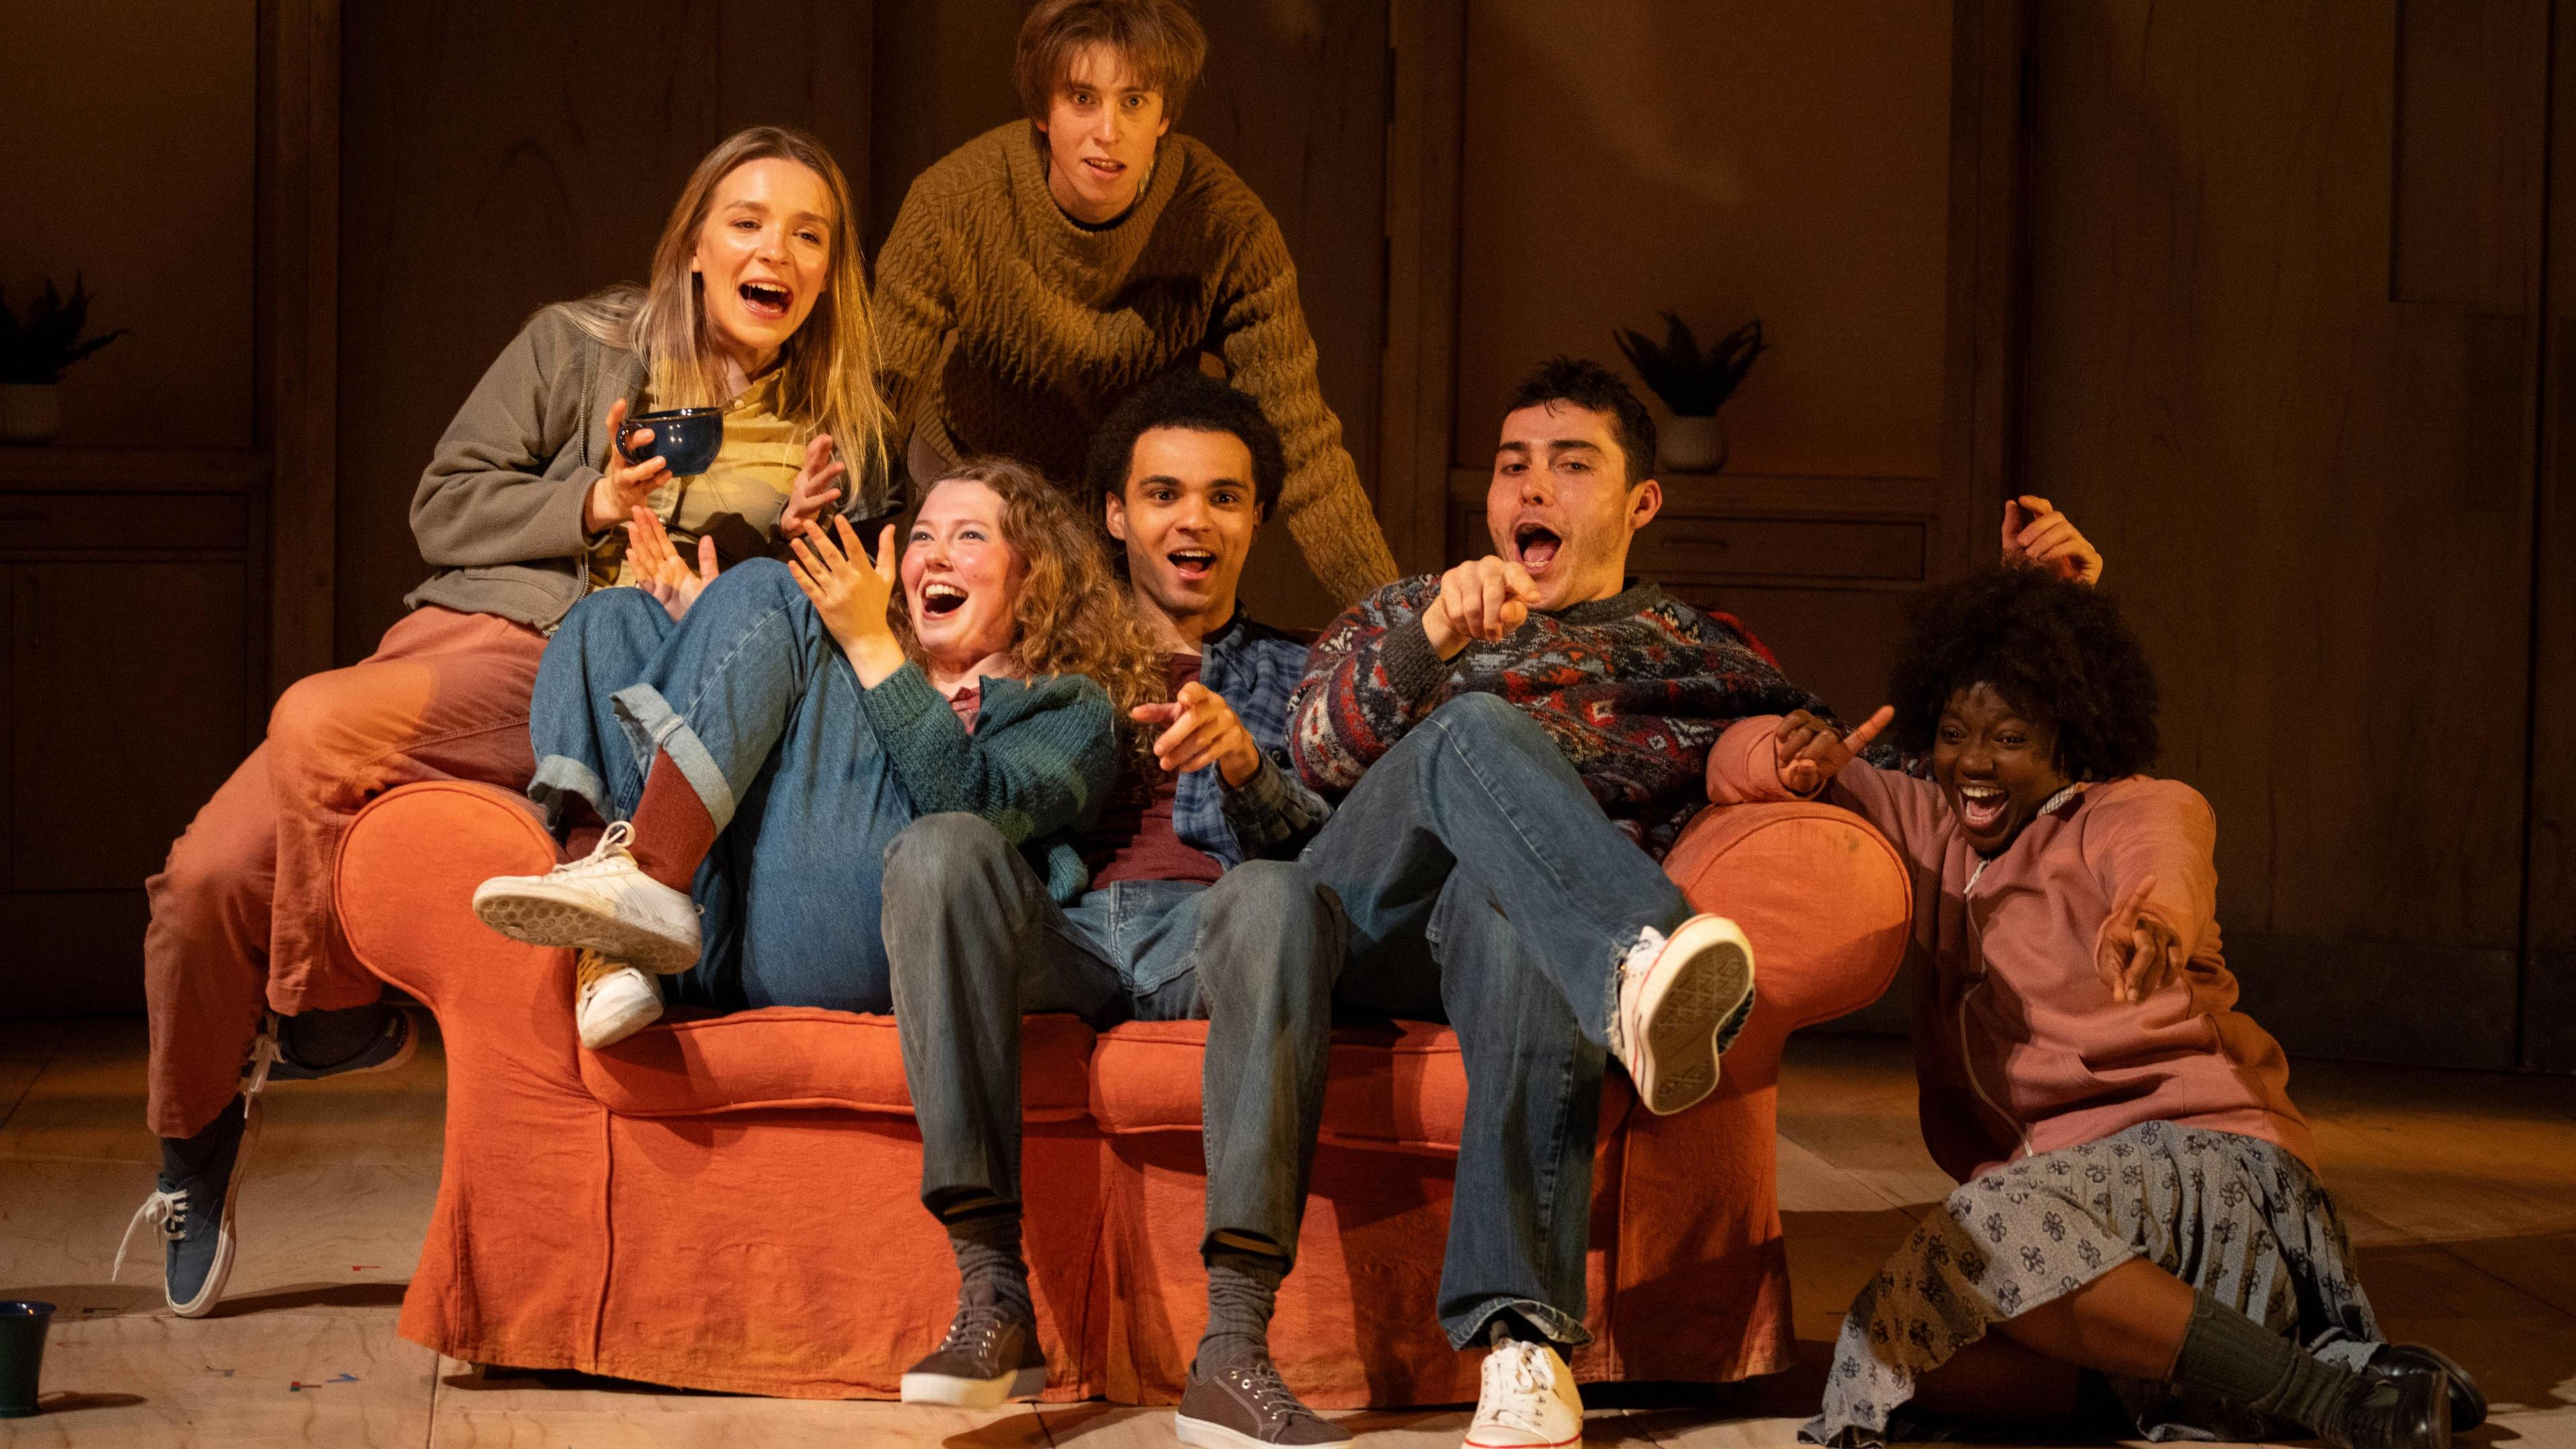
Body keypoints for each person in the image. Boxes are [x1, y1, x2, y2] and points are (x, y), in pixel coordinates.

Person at [121, 125, 888, 1318]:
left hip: (615, 680)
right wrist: (592, 498)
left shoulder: (848, 417)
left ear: (831, 270)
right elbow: (444, 505)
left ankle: (325, 1015)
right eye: (747, 221)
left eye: (808, 234)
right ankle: (194, 1140)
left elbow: (925, 553)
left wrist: (829, 528)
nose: (775, 251)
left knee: (317, 721)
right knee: (205, 879)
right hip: (481, 640)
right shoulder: (579, 345)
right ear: (694, 242)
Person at [1287, 356, 2110, 1448]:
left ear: (1640, 502)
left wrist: (2027, 621)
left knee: (1510, 915)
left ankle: (1523, 1345)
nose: (1532, 491)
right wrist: (1431, 639)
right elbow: (1310, 761)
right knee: (1479, 732)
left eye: (1570, 466)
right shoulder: (1410, 609)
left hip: (1513, 947)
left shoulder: (1692, 649)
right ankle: (1642, 959)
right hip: (1359, 918)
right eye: (1513, 467)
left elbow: (1878, 767)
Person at [1705, 566, 2479, 1449]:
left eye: (2009, 737)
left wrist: (2151, 919)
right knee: (1888, 1343)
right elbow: (1738, 760)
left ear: (2068, 738)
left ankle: (2328, 1398)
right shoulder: (1929, 821)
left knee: (1986, 1231)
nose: (1974, 763)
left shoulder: (2128, 809)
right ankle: (2225, 1387)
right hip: (2061, 1201)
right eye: (1954, 734)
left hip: (2201, 1164)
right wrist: (1782, 755)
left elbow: (2166, 855)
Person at [883, 372, 1351, 1447]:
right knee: (937, 851)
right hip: (1063, 932)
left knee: (1278, 893)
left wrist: (1252, 774)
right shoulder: (1038, 655)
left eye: (1224, 497)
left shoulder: (1310, 670)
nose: (1194, 519)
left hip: (1212, 931)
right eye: (1164, 494)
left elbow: (1343, 876)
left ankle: (1235, 1346)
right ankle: (992, 1295)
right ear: (1115, 515)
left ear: (1255, 519)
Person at [471, 460, 1157, 1047]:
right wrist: (712, 635)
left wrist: (863, 646)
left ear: (1035, 574)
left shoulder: (1072, 707)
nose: (936, 555)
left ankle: (643, 875)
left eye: (969, 536)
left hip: (868, 942)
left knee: (772, 592)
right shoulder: (855, 671)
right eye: (922, 536)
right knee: (612, 617)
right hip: (721, 934)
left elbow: (980, 815)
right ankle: (614, 947)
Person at [859, 0, 1399, 606]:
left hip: (1123, 503)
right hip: (975, 471)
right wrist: (836, 589)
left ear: (1165, 113)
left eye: (1134, 101)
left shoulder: (1224, 226)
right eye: (1082, 99)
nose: (1108, 132)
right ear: (1043, 109)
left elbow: (1304, 445)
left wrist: (1400, 621)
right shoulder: (954, 204)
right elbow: (875, 406)